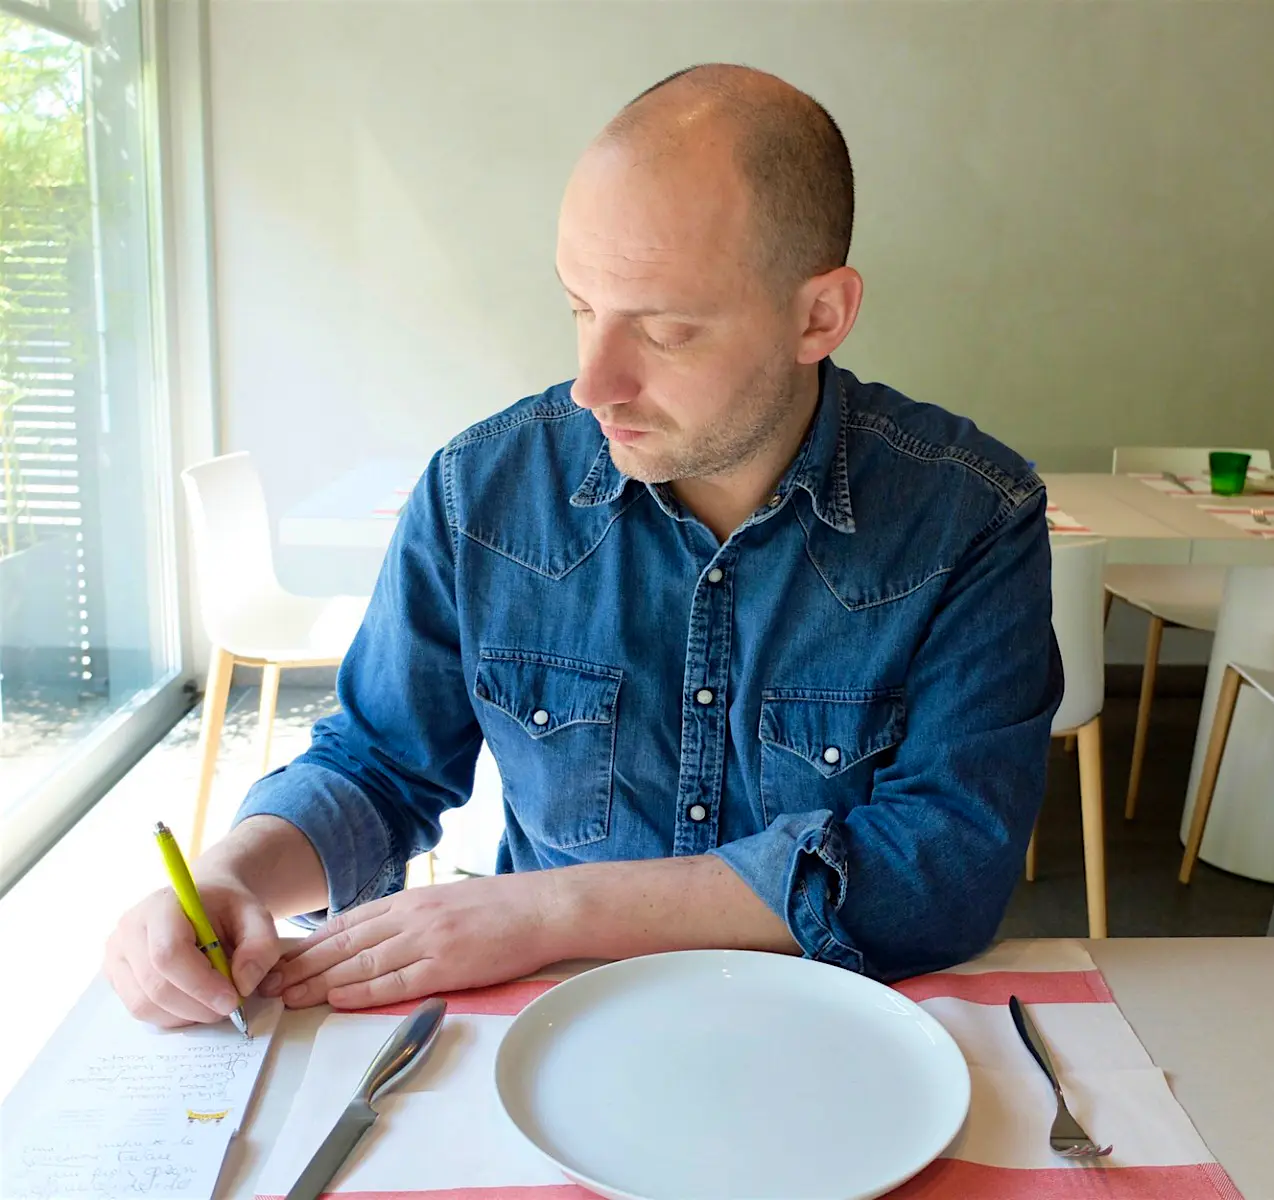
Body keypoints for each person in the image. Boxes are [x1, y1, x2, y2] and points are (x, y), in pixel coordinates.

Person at [105, 64, 1062, 1028]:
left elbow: (944, 865)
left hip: (839, 1038)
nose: (593, 384)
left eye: (665, 330)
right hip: (556, 1040)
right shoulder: (480, 494)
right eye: (580, 309)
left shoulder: (969, 516)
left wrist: (548, 911)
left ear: (820, 315)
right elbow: (377, 763)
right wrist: (237, 873)